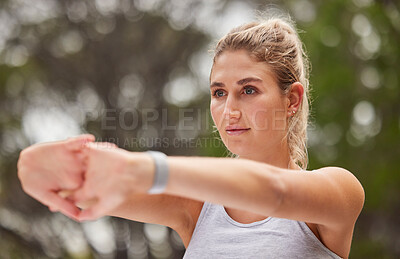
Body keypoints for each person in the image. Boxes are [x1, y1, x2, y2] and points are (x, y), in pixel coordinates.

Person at [17, 13, 364, 259]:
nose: (229, 110)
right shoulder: (195, 207)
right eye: (219, 93)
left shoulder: (337, 191)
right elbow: (78, 188)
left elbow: (276, 191)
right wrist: (34, 164)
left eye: (248, 90)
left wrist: (147, 169)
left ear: (292, 100)